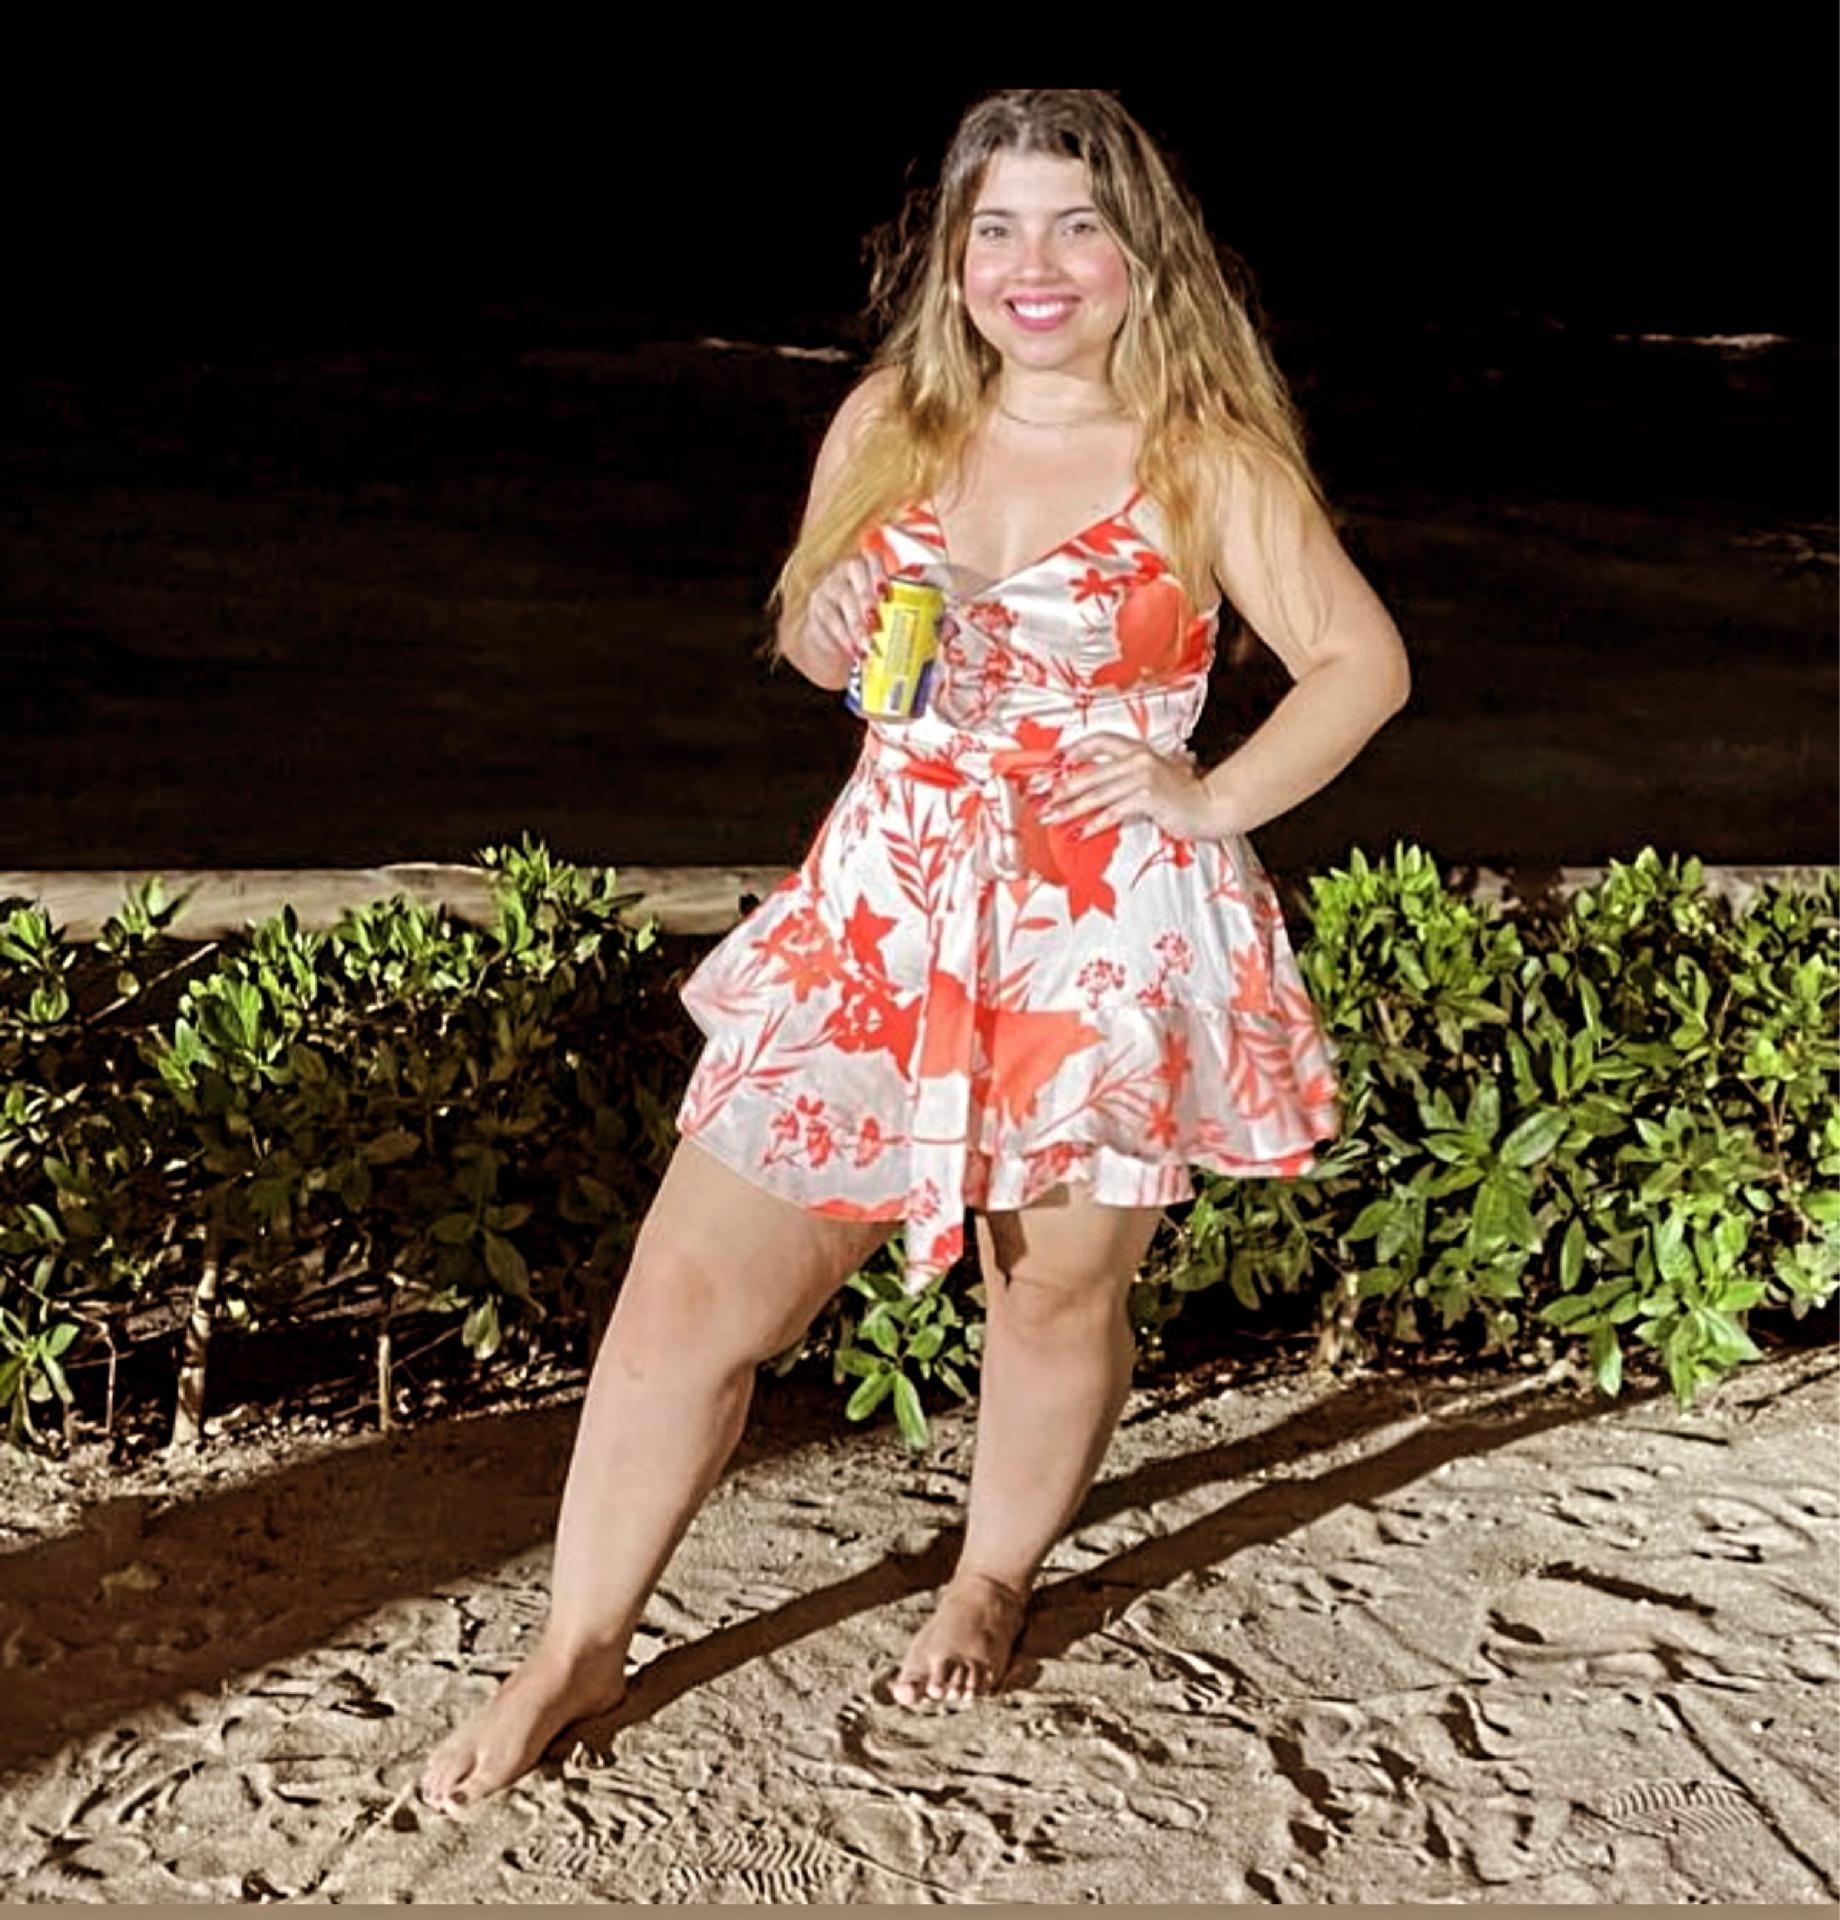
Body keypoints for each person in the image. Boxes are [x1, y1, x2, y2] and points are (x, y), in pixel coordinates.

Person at [419, 85, 1410, 1817]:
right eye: (997, 227)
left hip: (1096, 935)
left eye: (1078, 226)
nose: (1038, 265)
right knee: (685, 1301)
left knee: (1053, 1291)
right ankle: (580, 1642)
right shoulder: (891, 417)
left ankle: (992, 1572)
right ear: (952, 258)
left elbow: (1361, 665)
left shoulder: (1205, 457)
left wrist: (1206, 796)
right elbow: (835, 643)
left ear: (1143, 254)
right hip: (884, 906)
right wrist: (815, 628)